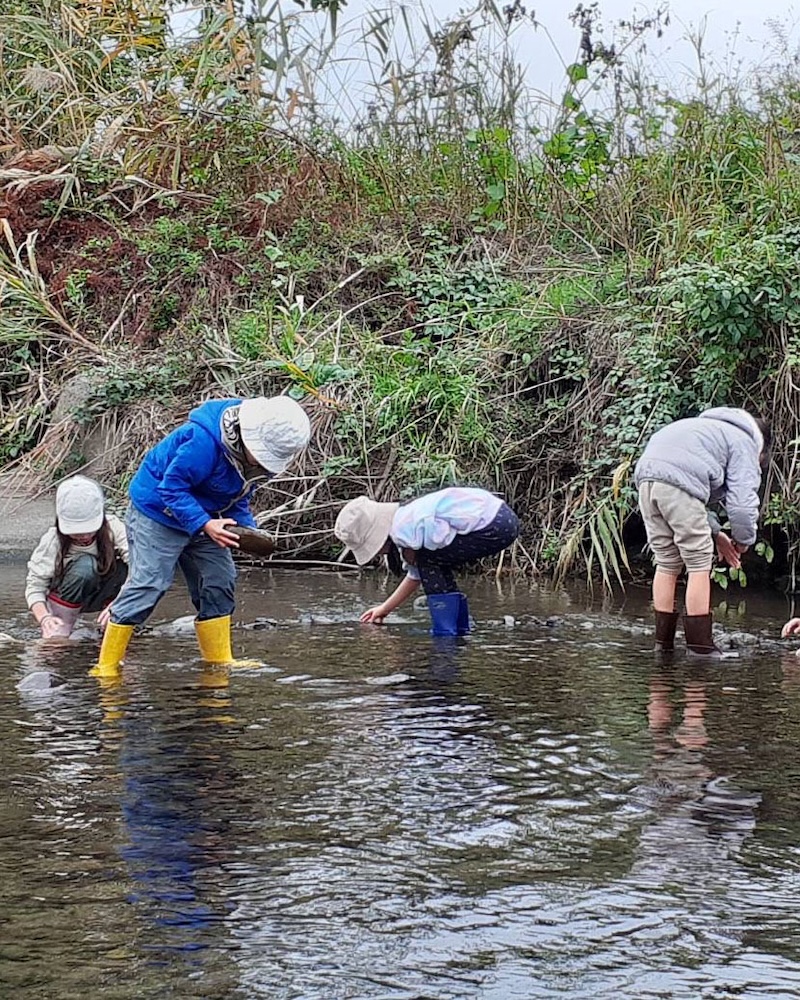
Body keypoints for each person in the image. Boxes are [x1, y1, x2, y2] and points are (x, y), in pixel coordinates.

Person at [94, 395, 311, 675]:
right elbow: (170, 488)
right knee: (150, 584)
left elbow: (239, 497)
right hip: (157, 512)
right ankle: (106, 666)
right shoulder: (202, 442)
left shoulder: (259, 460)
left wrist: (248, 532)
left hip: (210, 515)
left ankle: (219, 660)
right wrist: (205, 524)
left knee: (219, 581)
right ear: (247, 437)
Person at [633, 407, 769, 658]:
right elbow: (740, 504)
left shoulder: (702, 429)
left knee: (667, 562)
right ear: (761, 449)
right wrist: (744, 540)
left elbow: (687, 490)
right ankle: (700, 649)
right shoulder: (744, 442)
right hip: (676, 485)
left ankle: (663, 645)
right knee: (698, 563)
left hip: (645, 480)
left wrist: (717, 533)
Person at [333, 487, 520, 636]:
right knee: (430, 562)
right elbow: (416, 575)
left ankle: (446, 631)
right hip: (501, 518)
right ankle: (459, 627)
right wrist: (384, 609)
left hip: (494, 525)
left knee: (428, 560)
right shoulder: (406, 522)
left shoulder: (405, 527)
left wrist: (413, 554)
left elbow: (437, 544)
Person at [26, 475, 129, 638]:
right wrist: (44, 618)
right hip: (66, 595)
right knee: (85, 566)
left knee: (125, 568)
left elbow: (140, 568)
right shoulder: (53, 541)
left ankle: (115, 618)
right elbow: (35, 586)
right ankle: (62, 624)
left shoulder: (114, 527)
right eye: (76, 531)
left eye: (89, 529)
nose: (84, 535)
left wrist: (122, 603)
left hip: (105, 593)